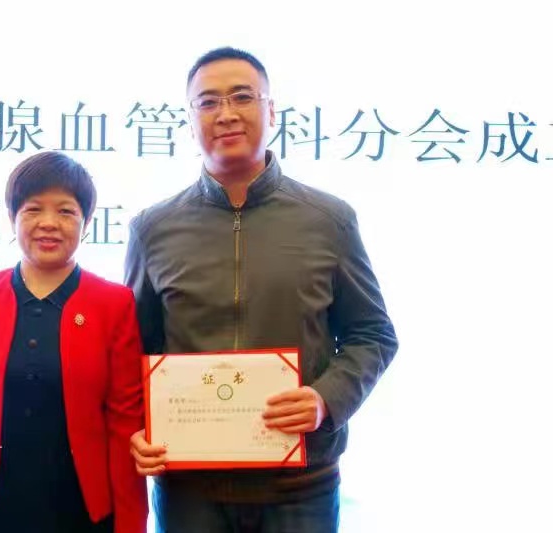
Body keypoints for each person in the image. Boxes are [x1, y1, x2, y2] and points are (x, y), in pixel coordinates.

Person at [124, 46, 399, 533]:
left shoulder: (328, 220)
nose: (226, 113)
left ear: (272, 111)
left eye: (242, 97)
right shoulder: (153, 228)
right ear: (189, 121)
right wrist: (136, 429)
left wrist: (324, 400)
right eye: (208, 102)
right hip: (188, 490)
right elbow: (134, 352)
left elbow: (373, 334)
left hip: (302, 487)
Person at [0, 151, 148, 533]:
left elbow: (124, 424)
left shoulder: (114, 304)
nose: (49, 223)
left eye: (66, 211)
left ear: (86, 222)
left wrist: (130, 525)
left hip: (80, 512)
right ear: (13, 218)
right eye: (33, 210)